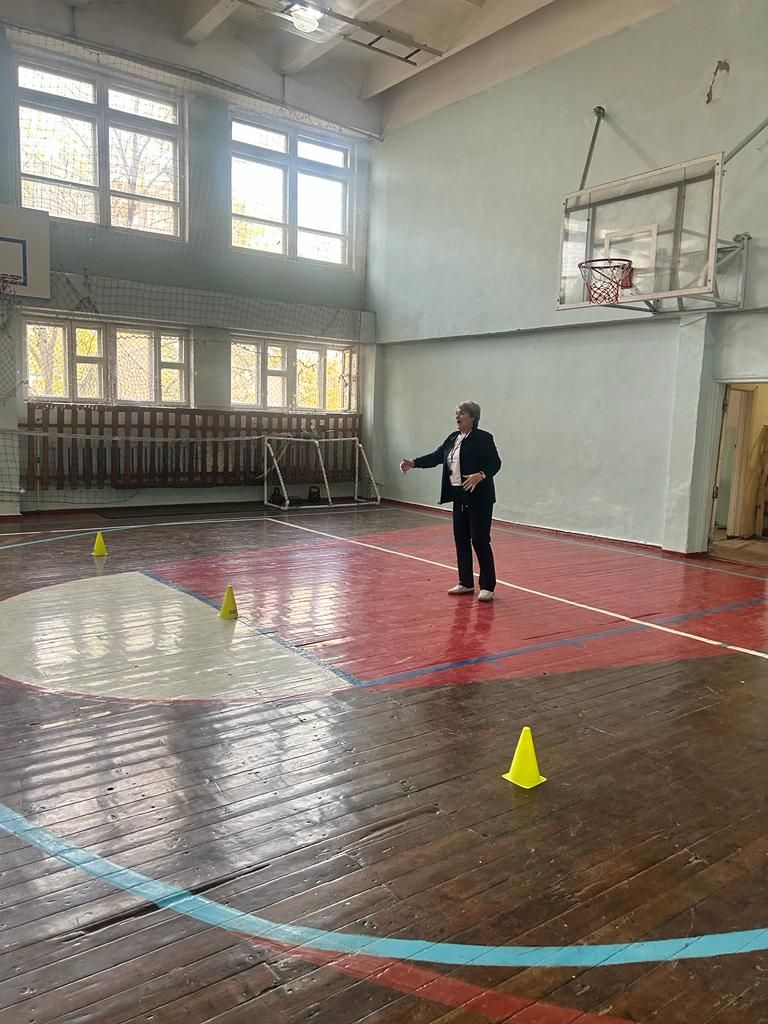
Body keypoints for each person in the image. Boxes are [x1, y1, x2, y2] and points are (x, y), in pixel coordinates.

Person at [400, 401, 501, 601]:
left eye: (462, 413)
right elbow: (437, 456)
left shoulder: (483, 438)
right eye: (457, 413)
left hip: (480, 497)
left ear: (473, 417)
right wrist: (414, 463)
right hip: (459, 496)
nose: (457, 417)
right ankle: (465, 583)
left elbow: (495, 463)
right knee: (461, 539)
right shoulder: (453, 438)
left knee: (480, 540)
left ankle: (487, 586)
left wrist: (481, 475)